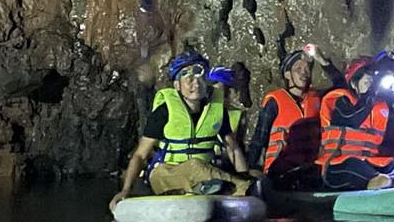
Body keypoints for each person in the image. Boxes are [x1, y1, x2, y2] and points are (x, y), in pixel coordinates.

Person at [109, 51, 253, 209]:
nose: (196, 84)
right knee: (194, 167)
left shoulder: (216, 110)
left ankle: (220, 189)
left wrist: (244, 174)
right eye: (189, 79)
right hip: (166, 174)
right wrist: (125, 190)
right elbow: (140, 155)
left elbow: (233, 149)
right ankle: (244, 188)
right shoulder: (164, 112)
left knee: (200, 169)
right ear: (177, 86)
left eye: (200, 78)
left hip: (204, 174)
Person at [245, 46, 347, 189]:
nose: (304, 73)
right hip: (280, 170)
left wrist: (322, 61)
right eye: (298, 69)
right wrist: (251, 169)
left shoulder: (318, 98)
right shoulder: (275, 101)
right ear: (287, 75)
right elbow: (259, 139)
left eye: (307, 69)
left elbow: (342, 87)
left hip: (311, 168)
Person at [316, 56, 394, 190]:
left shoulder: (379, 105)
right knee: (354, 165)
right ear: (354, 84)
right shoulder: (340, 99)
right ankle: (383, 182)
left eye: (372, 81)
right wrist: (369, 97)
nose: (371, 86)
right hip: (339, 163)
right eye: (367, 81)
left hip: (369, 162)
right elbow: (350, 119)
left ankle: (387, 181)